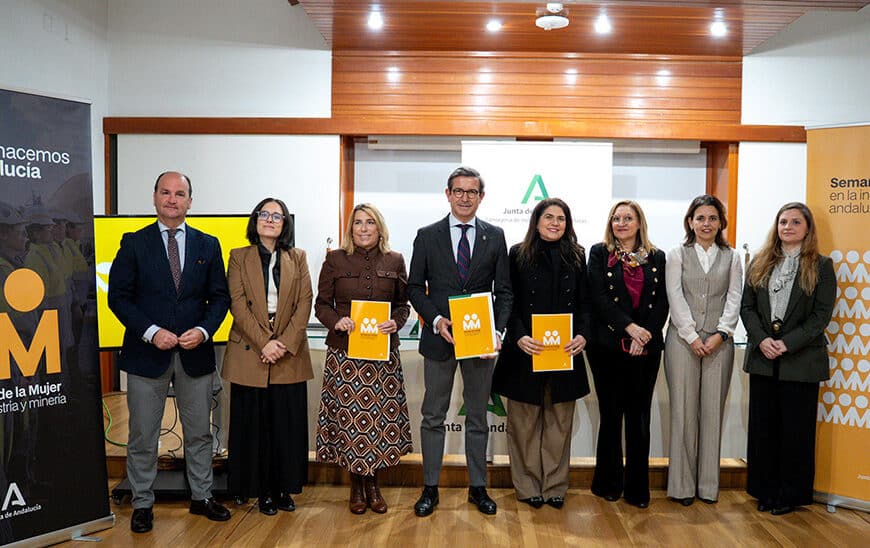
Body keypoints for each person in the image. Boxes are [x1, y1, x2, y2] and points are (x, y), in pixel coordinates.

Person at [108, 171, 231, 533]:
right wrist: (151, 332)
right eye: (166, 192)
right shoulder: (133, 243)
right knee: (143, 434)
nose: (172, 199)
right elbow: (119, 298)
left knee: (199, 433)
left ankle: (202, 497)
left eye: (180, 193)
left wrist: (205, 330)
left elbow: (219, 298)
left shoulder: (208, 245)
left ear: (190, 201)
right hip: (147, 355)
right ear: (155, 197)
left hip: (195, 355)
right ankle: (142, 502)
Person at [408, 166, 512, 516]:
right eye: (459, 191)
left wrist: (497, 332)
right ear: (448, 193)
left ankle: (478, 488)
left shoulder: (495, 236)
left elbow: (505, 292)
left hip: (481, 343)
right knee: (433, 415)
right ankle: (430, 488)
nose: (465, 197)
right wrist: (436, 321)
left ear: (481, 197)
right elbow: (413, 287)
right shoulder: (426, 235)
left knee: (479, 416)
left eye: (472, 192)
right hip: (440, 340)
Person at [492, 198, 590, 510]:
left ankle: (555, 487)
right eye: (549, 217)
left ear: (567, 223)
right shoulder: (517, 253)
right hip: (525, 352)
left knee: (560, 423)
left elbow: (585, 302)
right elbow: (510, 299)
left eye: (561, 218)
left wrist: (583, 336)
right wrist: (518, 335)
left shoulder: (578, 255)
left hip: (564, 352)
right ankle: (527, 486)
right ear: (536, 221)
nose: (555, 223)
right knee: (523, 425)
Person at [314, 203, 412, 515]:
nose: (364, 228)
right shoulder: (334, 259)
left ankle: (373, 484)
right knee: (350, 422)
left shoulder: (395, 260)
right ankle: (356, 485)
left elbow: (403, 305)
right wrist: (335, 321)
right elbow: (321, 304)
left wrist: (396, 322)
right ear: (350, 228)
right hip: (345, 354)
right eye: (358, 223)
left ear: (379, 228)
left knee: (377, 423)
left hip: (382, 356)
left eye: (370, 222)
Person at [741, 202, 835, 516]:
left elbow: (821, 316)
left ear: (807, 228)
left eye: (796, 222)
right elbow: (747, 308)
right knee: (763, 429)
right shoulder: (760, 262)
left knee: (796, 431)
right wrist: (762, 339)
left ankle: (790, 494)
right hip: (764, 357)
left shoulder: (821, 266)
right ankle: (764, 490)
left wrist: (786, 344)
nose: (788, 227)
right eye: (783, 221)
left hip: (801, 360)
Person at [221, 198, 313, 516]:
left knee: (286, 426)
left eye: (277, 216)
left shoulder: (297, 257)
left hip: (288, 353)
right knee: (253, 425)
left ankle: (283, 488)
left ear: (285, 223)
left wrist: (283, 343)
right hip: (251, 350)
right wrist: (265, 343)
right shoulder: (238, 256)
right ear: (255, 220)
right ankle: (261, 491)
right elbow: (236, 303)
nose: (270, 220)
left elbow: (305, 302)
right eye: (265, 214)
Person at [586, 199, 668, 509]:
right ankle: (608, 482)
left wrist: (644, 334)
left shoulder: (657, 257)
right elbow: (598, 296)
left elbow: (662, 301)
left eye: (628, 218)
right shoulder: (598, 253)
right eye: (616, 218)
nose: (621, 223)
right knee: (611, 415)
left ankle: (637, 489)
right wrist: (629, 329)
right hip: (606, 347)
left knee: (639, 417)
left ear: (638, 223)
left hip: (646, 349)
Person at [664, 195, 743, 506]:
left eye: (712, 218)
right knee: (683, 412)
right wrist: (692, 335)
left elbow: (734, 296)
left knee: (712, 413)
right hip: (683, 342)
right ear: (690, 222)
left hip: (719, 344)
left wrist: (722, 333)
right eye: (700, 218)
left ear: (720, 223)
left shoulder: (732, 256)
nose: (706, 223)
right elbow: (674, 295)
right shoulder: (677, 254)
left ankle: (708, 487)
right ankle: (682, 486)